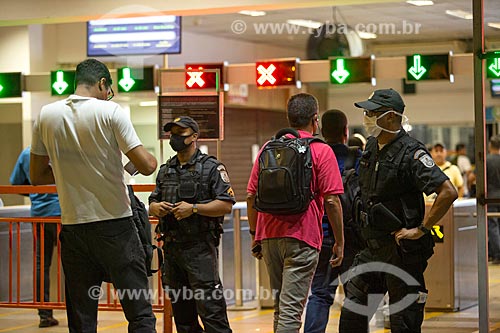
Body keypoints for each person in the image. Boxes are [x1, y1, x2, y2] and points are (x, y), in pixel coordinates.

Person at [30, 58, 158, 332]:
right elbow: (146, 166)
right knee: (139, 314)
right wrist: (151, 159)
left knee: (82, 319)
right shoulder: (111, 111)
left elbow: (37, 175)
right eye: (107, 89)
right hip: (116, 228)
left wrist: (69, 174)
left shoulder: (46, 115)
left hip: (74, 229)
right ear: (102, 83)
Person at [338, 88, 457, 333]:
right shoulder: (371, 146)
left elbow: (448, 192)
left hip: (400, 253)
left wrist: (422, 229)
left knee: (403, 323)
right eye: (367, 112)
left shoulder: (412, 152)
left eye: (373, 113)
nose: (367, 118)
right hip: (369, 249)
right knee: (351, 319)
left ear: (391, 116)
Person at [246, 93, 344, 333]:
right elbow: (331, 200)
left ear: (289, 118)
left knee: (281, 308)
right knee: (291, 312)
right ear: (315, 119)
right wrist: (340, 241)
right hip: (302, 236)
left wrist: (254, 235)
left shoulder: (269, 148)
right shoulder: (321, 150)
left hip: (269, 236)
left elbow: (250, 196)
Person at [149, 116, 235, 333]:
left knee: (212, 312)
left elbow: (225, 204)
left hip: (200, 249)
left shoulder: (212, 167)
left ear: (194, 137)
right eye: (172, 134)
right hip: (172, 249)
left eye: (181, 134)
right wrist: (155, 207)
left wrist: (194, 209)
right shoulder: (165, 170)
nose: (175, 138)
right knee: (183, 316)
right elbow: (152, 200)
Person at [304, 109, 362, 333]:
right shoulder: (357, 157)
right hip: (351, 237)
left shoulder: (312, 155)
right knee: (355, 295)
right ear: (345, 132)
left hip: (319, 234)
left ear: (321, 130)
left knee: (319, 293)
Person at [10, 146, 60, 328]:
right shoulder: (59, 150)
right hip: (64, 215)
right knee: (73, 264)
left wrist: (34, 192)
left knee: (41, 265)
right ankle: (76, 310)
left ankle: (44, 314)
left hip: (40, 215)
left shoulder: (26, 154)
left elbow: (16, 184)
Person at [487, 135, 500, 265]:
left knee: (493, 226)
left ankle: (497, 254)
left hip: (490, 197)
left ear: (490, 145)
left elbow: (474, 178)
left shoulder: (486, 160)